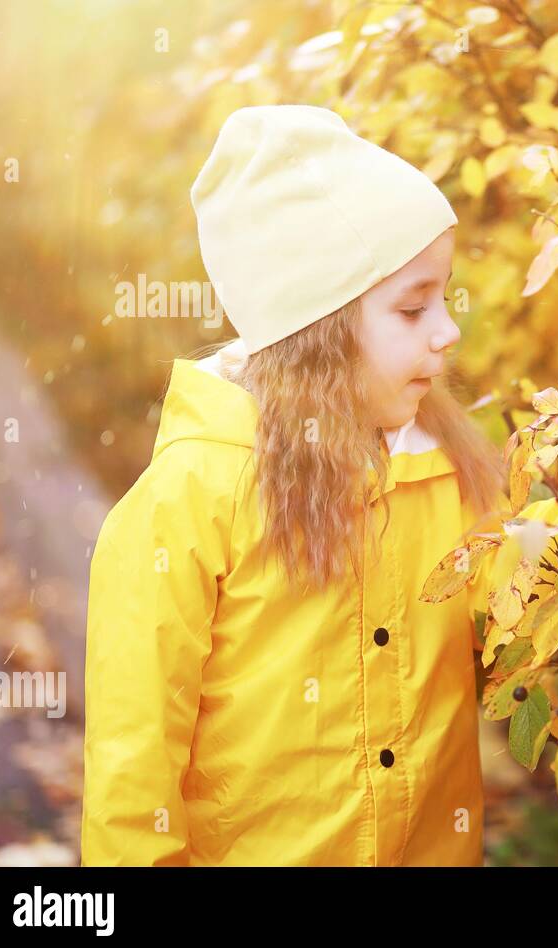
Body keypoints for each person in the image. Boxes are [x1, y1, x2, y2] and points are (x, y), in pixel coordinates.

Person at [80, 105, 507, 865]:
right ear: (320, 333)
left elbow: (524, 631)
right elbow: (132, 781)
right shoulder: (188, 502)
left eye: (443, 297)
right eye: (413, 307)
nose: (448, 330)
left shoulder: (444, 464)